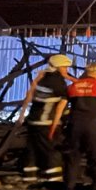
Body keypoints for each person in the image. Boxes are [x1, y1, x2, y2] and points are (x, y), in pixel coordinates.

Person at [49, 62, 96, 190]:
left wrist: (54, 125)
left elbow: (60, 107)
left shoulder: (73, 86)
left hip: (74, 127)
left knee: (72, 160)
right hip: (93, 127)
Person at [20, 54, 72, 182]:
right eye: (65, 67)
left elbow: (29, 95)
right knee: (52, 149)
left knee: (32, 149)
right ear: (59, 67)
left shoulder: (42, 78)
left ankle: (29, 177)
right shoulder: (58, 82)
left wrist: (22, 115)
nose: (67, 70)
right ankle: (54, 179)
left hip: (33, 120)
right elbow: (61, 105)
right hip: (47, 122)